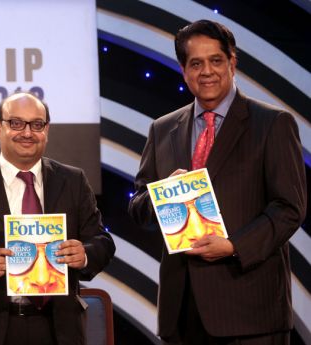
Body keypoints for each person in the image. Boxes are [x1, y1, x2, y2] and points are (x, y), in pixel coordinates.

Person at [128, 19, 307, 345]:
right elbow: (138, 206)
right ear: (183, 70)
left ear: (232, 62)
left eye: (216, 60)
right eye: (196, 63)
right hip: (182, 312)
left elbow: (289, 209)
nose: (206, 71)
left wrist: (234, 246)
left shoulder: (272, 124)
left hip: (250, 310)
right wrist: (163, 193)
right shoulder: (162, 129)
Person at [0, 91, 116, 345]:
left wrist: (83, 254)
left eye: (36, 124)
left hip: (58, 328)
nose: (27, 133)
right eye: (16, 123)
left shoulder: (73, 181)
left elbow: (102, 241)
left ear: (46, 130)